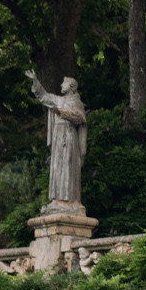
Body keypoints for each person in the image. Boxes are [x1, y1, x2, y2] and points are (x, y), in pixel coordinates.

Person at [28, 72, 88, 208]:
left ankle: (69, 200)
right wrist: (35, 81)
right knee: (56, 167)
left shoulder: (77, 102)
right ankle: (56, 200)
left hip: (68, 135)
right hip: (57, 136)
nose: (61, 85)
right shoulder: (59, 100)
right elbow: (44, 97)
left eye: (64, 83)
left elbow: (80, 118)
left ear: (71, 86)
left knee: (67, 166)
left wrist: (62, 113)